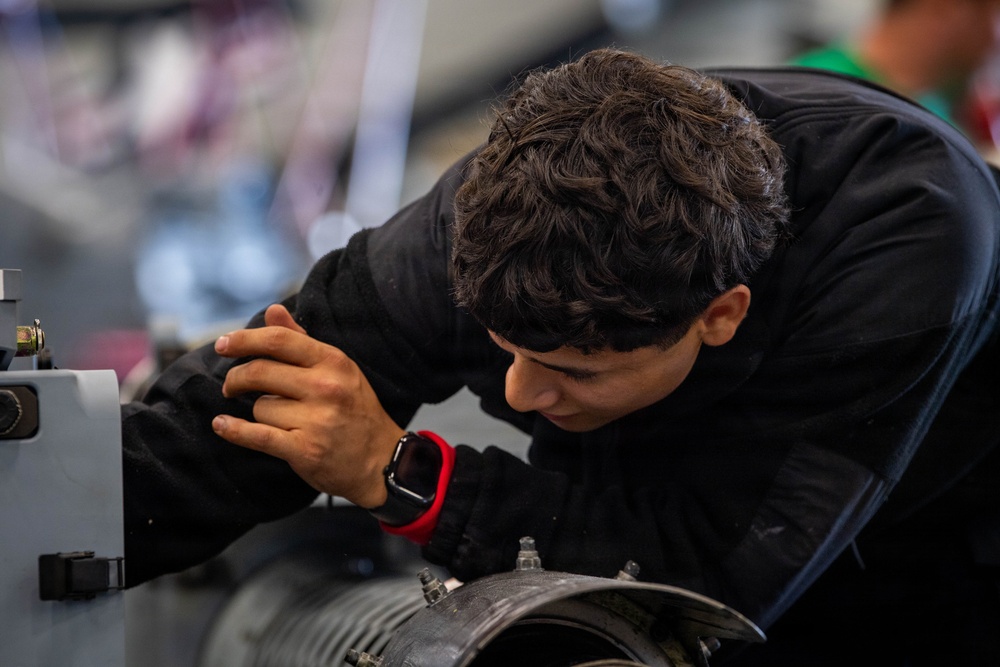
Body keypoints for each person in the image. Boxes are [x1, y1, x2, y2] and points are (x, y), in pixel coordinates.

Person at [120, 49, 1000, 663]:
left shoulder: (904, 234)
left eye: (573, 370)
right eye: (504, 349)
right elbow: (234, 418)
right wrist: (54, 518)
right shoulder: (484, 217)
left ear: (720, 315)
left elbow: (717, 584)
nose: (519, 390)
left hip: (913, 567)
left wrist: (405, 474)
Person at [792, 0, 1000, 137]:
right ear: (946, 7)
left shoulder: (941, 117)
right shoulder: (806, 93)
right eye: (996, 15)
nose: (996, 40)